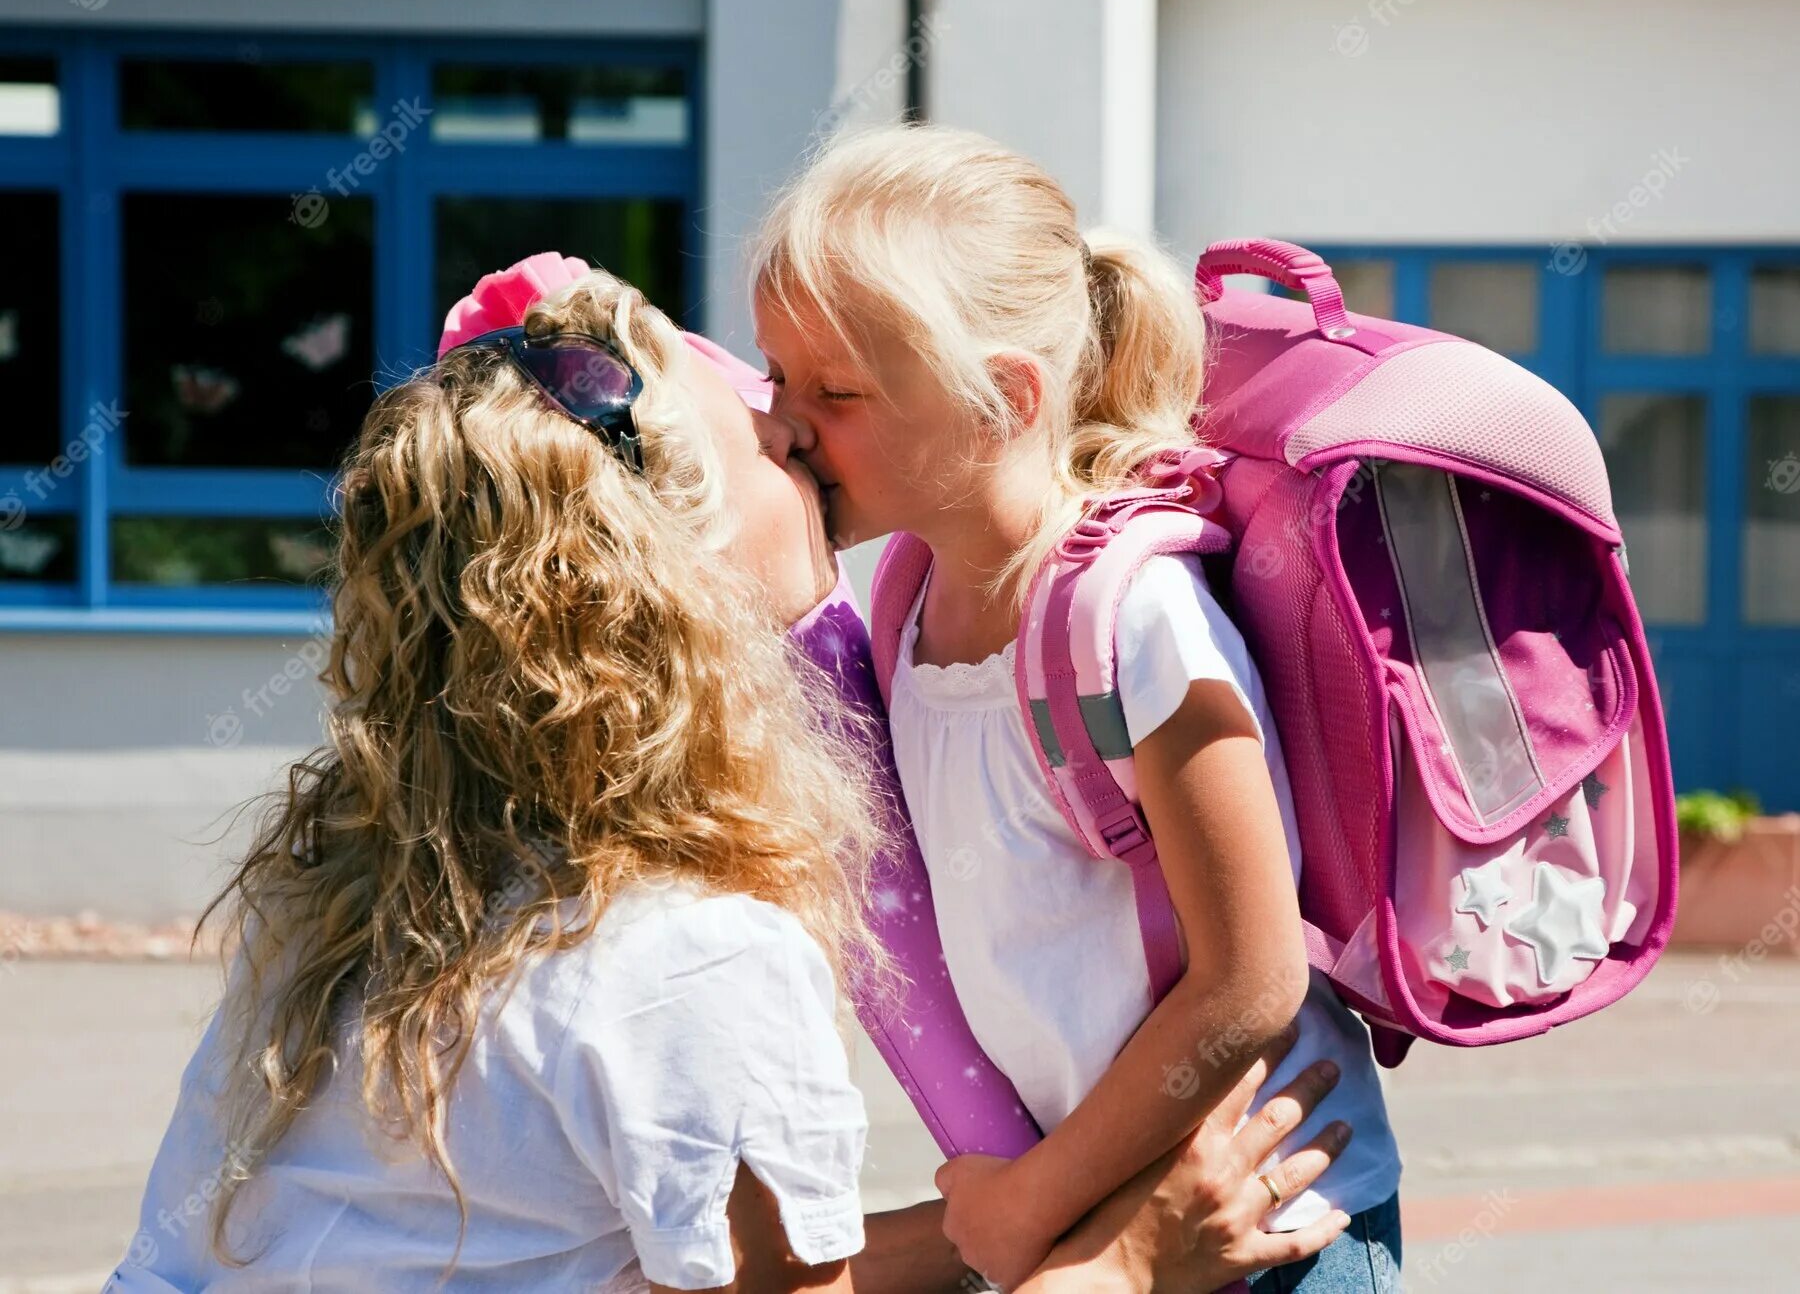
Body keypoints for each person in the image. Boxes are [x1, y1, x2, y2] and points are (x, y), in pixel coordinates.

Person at [107, 258, 1352, 1292]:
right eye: (776, 439)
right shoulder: (690, 958)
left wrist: (1010, 1224)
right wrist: (1129, 1261)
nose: (800, 432)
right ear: (683, 585)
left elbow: (723, 1274)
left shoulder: (348, 899)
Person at [753, 125, 1404, 1291]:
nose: (783, 424)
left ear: (1003, 400)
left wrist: (1030, 1207)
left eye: (835, 390)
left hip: (1266, 1224)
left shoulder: (1134, 617)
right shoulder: (906, 607)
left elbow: (1252, 976)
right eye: (774, 377)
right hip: (1098, 1224)